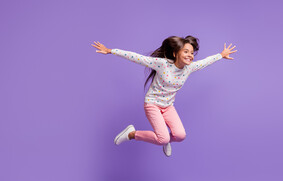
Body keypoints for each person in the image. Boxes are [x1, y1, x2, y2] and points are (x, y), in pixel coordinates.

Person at [91, 35, 237, 157]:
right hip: (152, 104)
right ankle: (131, 133)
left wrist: (221, 55)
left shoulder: (189, 68)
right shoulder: (162, 64)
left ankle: (165, 139)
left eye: (192, 53)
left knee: (180, 136)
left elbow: (205, 62)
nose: (190, 56)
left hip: (168, 106)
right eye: (186, 51)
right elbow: (137, 58)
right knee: (162, 138)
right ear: (175, 53)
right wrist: (111, 51)